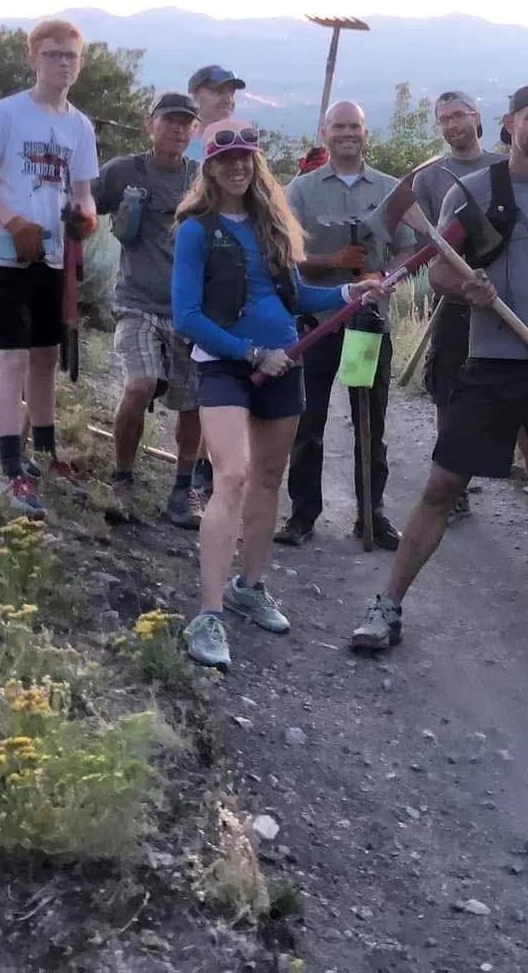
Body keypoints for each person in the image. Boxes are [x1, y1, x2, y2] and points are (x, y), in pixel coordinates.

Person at [348, 84, 528, 655]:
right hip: (490, 366)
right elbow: (438, 271)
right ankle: (387, 606)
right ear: (509, 123)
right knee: (443, 485)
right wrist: (465, 287)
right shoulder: (474, 191)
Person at [170, 121, 383, 670]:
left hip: (285, 362)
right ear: (209, 168)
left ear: (256, 163)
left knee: (268, 479)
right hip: (226, 365)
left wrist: (348, 291)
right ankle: (209, 614)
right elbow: (187, 316)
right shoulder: (196, 230)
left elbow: (293, 296)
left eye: (245, 157)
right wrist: (249, 353)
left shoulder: (271, 223)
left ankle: (250, 585)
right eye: (225, 160)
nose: (237, 166)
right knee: (232, 475)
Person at [0, 18, 101, 519]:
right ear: (33, 58)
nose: (62, 63)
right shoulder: (6, 114)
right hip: (6, 254)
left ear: (79, 64)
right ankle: (10, 466)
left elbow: (83, 192)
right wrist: (14, 222)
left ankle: (43, 452)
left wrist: (87, 218)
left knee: (46, 357)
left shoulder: (79, 126)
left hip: (54, 257)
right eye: (52, 54)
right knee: (13, 359)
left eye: (70, 56)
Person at [277, 100, 404, 548]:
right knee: (308, 422)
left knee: (370, 423)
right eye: (339, 127)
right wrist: (335, 260)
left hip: (366, 327)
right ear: (325, 133)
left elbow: (408, 250)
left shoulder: (390, 190)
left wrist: (384, 277)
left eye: (355, 126)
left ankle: (371, 515)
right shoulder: (300, 191)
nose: (348, 133)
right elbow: (286, 257)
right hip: (316, 325)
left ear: (366, 133)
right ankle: (302, 514)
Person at [91, 90, 208, 529]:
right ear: (150, 124)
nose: (177, 129)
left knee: (192, 403)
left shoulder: (203, 180)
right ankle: (122, 480)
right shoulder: (123, 171)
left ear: (194, 130)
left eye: (185, 123)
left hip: (190, 311)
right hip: (136, 302)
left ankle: (182, 491)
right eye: (169, 120)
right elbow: (81, 207)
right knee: (140, 385)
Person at [413, 91, 491, 521]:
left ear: (476, 118)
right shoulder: (430, 179)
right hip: (453, 301)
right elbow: (428, 246)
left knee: (519, 387)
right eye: (443, 119)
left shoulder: (502, 168)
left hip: (505, 299)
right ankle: (453, 482)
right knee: (448, 388)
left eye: (458, 116)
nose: (451, 125)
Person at [183, 65, 246, 162]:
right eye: (218, 92)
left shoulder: (243, 147)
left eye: (231, 93)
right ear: (194, 97)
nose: (228, 100)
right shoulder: (179, 147)